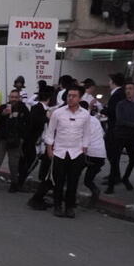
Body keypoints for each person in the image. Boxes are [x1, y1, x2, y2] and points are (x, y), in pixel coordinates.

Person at [42, 85, 96, 218]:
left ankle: (69, 207)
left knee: (73, 182)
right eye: (69, 96)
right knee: (58, 181)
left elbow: (87, 134)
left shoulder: (85, 114)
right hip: (59, 152)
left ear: (80, 98)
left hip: (76, 153)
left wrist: (84, 149)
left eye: (74, 96)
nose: (71, 98)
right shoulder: (58, 113)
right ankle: (57, 206)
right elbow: (50, 132)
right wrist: (49, 149)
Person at [0, 89, 30, 193]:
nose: (13, 99)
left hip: (15, 140)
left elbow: (28, 124)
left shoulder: (23, 109)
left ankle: (14, 184)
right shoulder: (3, 107)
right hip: (2, 138)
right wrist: (2, 114)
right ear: (9, 97)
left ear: (19, 98)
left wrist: (22, 138)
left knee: (14, 163)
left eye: (16, 97)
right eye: (12, 97)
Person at [107, 81, 134, 193]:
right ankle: (111, 185)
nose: (128, 91)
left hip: (131, 136)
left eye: (131, 88)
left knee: (133, 159)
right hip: (120, 135)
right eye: (127, 89)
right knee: (115, 160)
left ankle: (125, 178)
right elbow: (120, 120)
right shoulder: (120, 104)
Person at [25, 87, 56, 209]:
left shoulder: (48, 110)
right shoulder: (40, 109)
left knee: (47, 173)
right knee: (46, 173)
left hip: (46, 145)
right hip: (42, 145)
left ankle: (39, 197)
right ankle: (36, 199)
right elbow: (37, 125)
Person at [82, 103, 107, 204]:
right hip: (100, 154)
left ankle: (94, 194)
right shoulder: (95, 120)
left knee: (77, 174)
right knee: (88, 179)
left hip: (90, 154)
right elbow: (102, 134)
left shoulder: (83, 121)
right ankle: (94, 195)